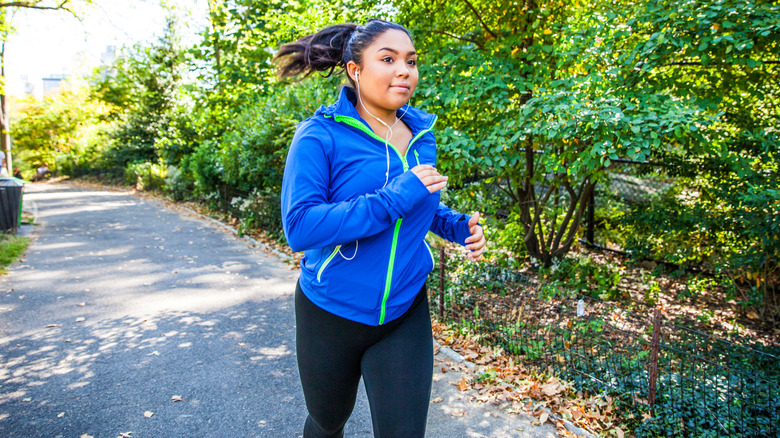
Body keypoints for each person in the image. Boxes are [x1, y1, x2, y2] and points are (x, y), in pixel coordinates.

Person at [277, 19, 486, 438]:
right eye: (388, 59)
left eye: (410, 61)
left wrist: (455, 225)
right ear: (355, 70)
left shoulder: (421, 135)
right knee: (327, 421)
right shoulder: (320, 136)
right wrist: (394, 197)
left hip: (405, 310)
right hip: (331, 312)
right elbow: (300, 226)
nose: (404, 71)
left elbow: (419, 204)